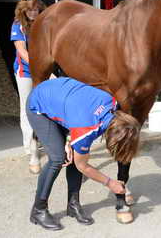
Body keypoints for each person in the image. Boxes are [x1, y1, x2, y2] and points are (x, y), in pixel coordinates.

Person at [27, 77, 141, 231]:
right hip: (39, 103)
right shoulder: (87, 128)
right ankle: (38, 210)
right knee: (58, 159)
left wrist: (69, 139)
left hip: (61, 97)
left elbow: (76, 111)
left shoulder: (112, 103)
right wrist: (110, 183)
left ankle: (73, 205)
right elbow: (83, 166)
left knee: (75, 155)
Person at [11, 0, 46, 174]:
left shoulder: (44, 24)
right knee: (27, 107)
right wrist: (38, 67)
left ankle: (43, 141)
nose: (33, 12)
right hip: (25, 72)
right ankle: (29, 148)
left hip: (44, 71)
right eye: (30, 9)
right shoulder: (18, 26)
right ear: (23, 11)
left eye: (36, 9)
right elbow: (22, 51)